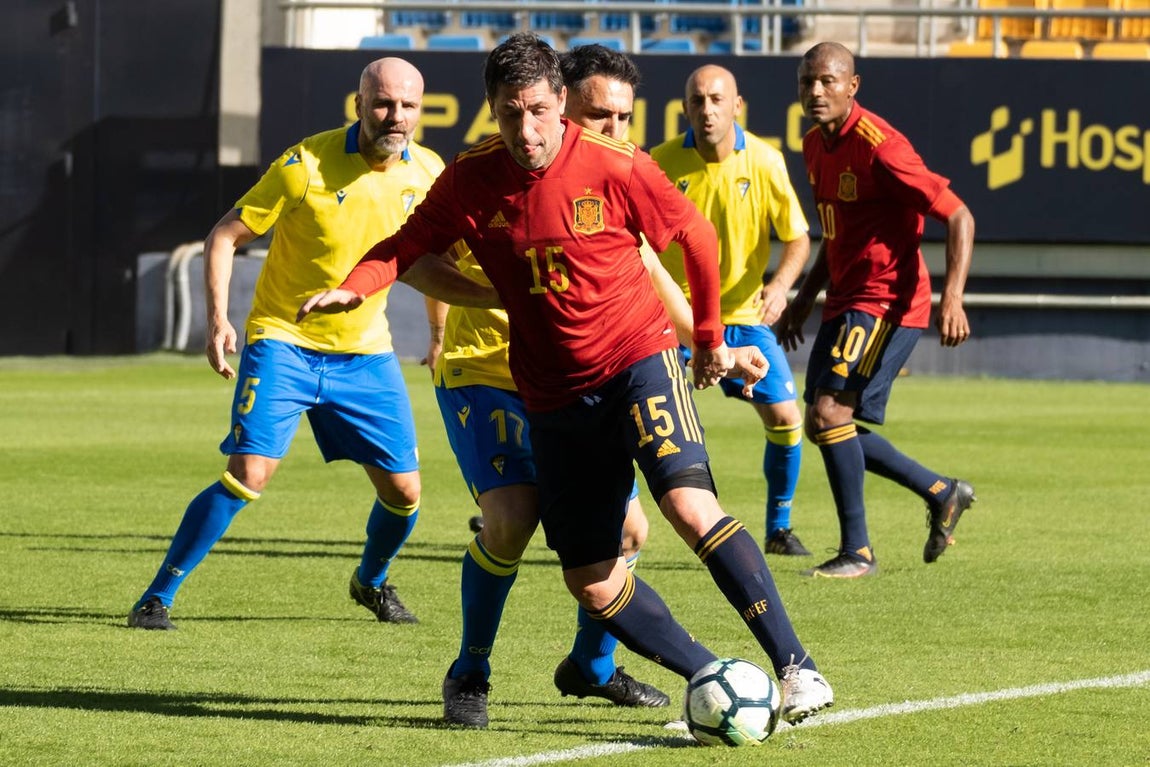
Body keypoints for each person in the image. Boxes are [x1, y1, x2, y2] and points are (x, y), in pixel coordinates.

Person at [300, 33, 833, 725]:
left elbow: (690, 243)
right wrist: (356, 285)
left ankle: (796, 666)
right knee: (587, 576)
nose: (526, 131)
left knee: (686, 508)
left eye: (538, 112)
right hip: (547, 393)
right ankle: (709, 674)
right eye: (509, 114)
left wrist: (711, 344)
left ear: (559, 103)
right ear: (493, 110)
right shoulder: (469, 178)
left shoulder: (617, 164)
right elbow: (406, 248)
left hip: (637, 362)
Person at [126, 58, 494, 630]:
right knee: (248, 474)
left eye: (408, 106)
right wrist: (218, 319)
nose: (395, 116)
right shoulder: (305, 164)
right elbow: (225, 235)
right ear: (359, 104)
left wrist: (439, 334)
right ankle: (156, 597)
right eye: (383, 103)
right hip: (284, 342)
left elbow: (430, 262)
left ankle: (370, 582)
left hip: (366, 354)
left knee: (405, 494)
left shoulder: (428, 171)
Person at [422, 45, 671, 728]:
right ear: (566, 109)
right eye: (600, 116)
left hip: (581, 380)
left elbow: (653, 272)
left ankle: (591, 667)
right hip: (489, 372)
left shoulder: (609, 176)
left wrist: (714, 345)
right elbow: (419, 256)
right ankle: (470, 671)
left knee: (629, 530)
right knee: (510, 520)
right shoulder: (486, 176)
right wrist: (482, 299)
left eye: (622, 118)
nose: (612, 130)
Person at [776, 42, 977, 579]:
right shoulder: (814, 145)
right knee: (824, 424)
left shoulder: (881, 147)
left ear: (852, 86)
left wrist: (953, 296)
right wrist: (803, 301)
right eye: (806, 82)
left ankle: (858, 552)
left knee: (829, 416)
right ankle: (941, 491)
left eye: (827, 81)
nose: (815, 91)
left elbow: (959, 216)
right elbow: (836, 234)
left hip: (886, 300)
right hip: (845, 299)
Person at [651, 65, 813, 558]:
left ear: (737, 105)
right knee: (619, 415)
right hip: (676, 320)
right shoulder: (659, 163)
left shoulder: (765, 161)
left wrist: (780, 287)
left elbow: (798, 238)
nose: (707, 110)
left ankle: (779, 529)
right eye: (697, 101)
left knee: (786, 418)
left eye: (717, 99)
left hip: (743, 318)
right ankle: (596, 520)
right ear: (685, 108)